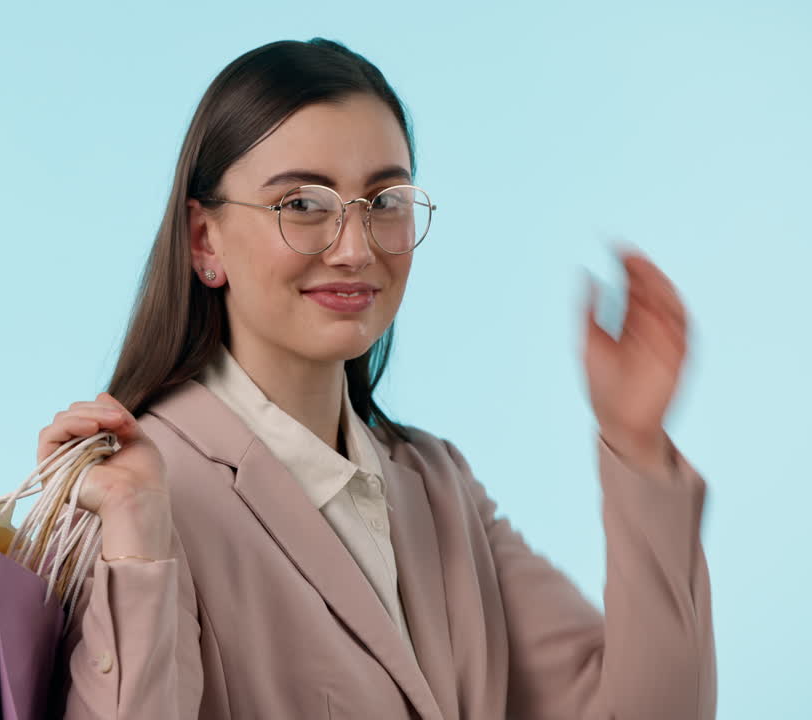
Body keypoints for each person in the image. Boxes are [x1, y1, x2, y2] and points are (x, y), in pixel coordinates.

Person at [37, 38, 716, 720]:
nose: (355, 248)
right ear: (204, 240)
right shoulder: (131, 494)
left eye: (385, 200)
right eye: (303, 203)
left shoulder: (440, 490)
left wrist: (637, 447)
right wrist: (137, 543)